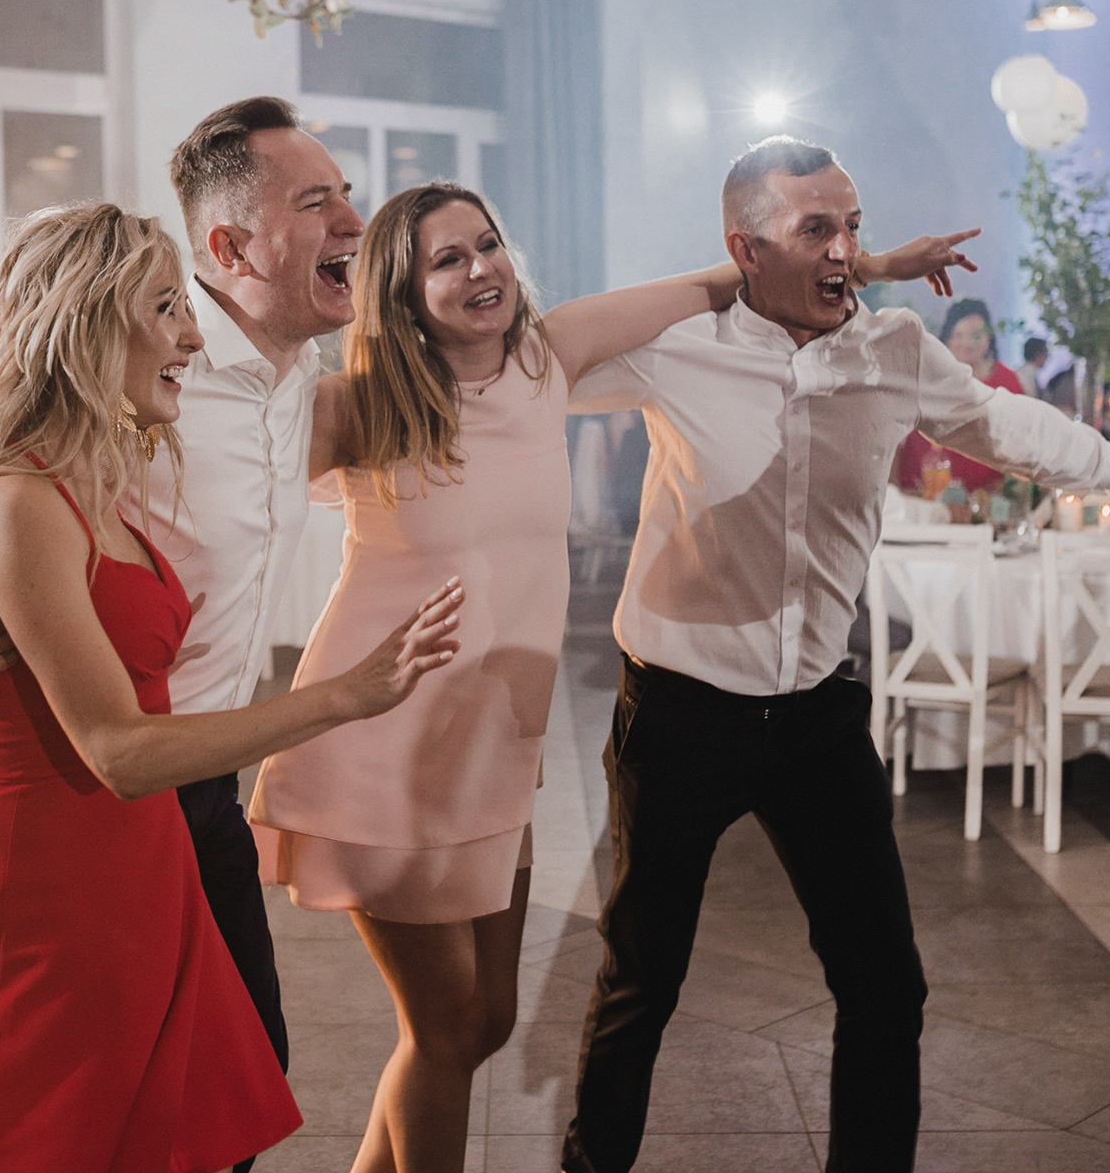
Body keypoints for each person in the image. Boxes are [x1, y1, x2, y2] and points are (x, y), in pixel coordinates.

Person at [248, 181, 977, 1173]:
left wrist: (869, 264)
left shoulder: (545, 361)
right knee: (447, 1028)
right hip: (384, 742)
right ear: (400, 293)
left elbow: (714, 281)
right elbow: (213, 464)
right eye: (448, 259)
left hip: (494, 746)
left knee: (485, 1021)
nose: (482, 269)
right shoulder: (358, 407)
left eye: (488, 244)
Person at [558, 135, 1110, 1173]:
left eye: (853, 228)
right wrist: (724, 283)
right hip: (680, 714)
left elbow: (998, 423)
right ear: (744, 249)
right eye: (817, 229)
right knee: (643, 979)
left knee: (886, 986)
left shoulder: (894, 347)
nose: (846, 250)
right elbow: (542, 359)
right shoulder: (678, 347)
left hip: (817, 717)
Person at [0, 203, 465, 1171]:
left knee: (180, 1124)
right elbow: (115, 750)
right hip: (58, 875)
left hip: (153, 849)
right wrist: (347, 694)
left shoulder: (113, 460)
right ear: (83, 324)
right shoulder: (18, 497)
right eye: (165, 309)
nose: (190, 336)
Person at [0, 97, 367, 1098]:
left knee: (237, 1079)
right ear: (231, 246)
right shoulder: (136, 378)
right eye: (318, 203)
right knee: (96, 1096)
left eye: (346, 194)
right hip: (94, 791)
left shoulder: (302, 383)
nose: (354, 219)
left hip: (205, 789)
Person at [891, 298, 1023, 498]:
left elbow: (1022, 439)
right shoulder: (924, 378)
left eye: (976, 335)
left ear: (989, 338)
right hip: (922, 497)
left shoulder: (1007, 381)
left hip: (987, 499)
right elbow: (893, 435)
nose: (967, 343)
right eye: (959, 335)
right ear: (947, 338)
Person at [1017, 335, 1050, 400]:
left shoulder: (1026, 373)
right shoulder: (1025, 376)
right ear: (1039, 355)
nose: (1047, 357)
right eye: (1046, 353)